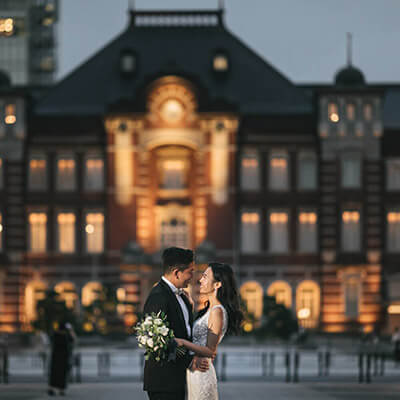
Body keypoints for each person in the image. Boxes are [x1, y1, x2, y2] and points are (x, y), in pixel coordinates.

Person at [143, 247, 210, 400]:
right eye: (190, 271)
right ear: (176, 273)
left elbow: (185, 331)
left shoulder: (184, 297)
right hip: (164, 380)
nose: (193, 277)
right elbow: (157, 341)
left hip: (178, 379)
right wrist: (189, 361)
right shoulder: (158, 296)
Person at [175, 262, 243, 400]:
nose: (200, 280)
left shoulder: (217, 311)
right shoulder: (208, 310)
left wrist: (182, 342)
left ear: (217, 284)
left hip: (202, 373)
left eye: (205, 277)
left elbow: (210, 350)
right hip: (194, 371)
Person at [48, 321, 76, 396]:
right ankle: (61, 390)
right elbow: (73, 340)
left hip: (55, 357)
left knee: (54, 373)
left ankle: (51, 389)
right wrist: (71, 330)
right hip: (64, 357)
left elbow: (50, 342)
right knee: (62, 374)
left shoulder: (55, 334)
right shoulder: (67, 335)